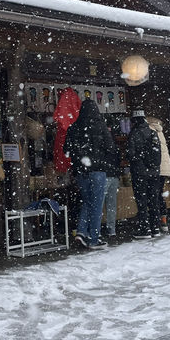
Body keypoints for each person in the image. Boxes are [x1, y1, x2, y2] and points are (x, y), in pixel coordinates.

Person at [64, 98, 115, 250]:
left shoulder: (74, 127)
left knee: (87, 201)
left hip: (81, 172)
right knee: (97, 204)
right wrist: (101, 160)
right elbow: (111, 148)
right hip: (98, 171)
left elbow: (66, 150)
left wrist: (78, 161)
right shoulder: (101, 127)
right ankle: (94, 238)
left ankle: (81, 232)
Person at [127, 109, 161, 239]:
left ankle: (144, 228)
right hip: (154, 172)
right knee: (154, 199)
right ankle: (155, 227)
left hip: (140, 173)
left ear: (134, 120)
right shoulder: (153, 133)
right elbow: (158, 154)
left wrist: (137, 160)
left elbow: (131, 154)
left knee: (142, 200)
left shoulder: (133, 134)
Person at [147, 116, 170, 233]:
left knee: (154, 195)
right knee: (160, 194)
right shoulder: (160, 131)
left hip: (156, 168)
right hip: (164, 168)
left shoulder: (150, 130)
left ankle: (155, 222)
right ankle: (163, 220)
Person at [102, 123, 121, 246]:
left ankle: (96, 231)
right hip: (114, 175)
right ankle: (111, 231)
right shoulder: (114, 145)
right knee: (111, 205)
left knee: (99, 204)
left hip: (104, 176)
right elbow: (118, 160)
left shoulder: (100, 144)